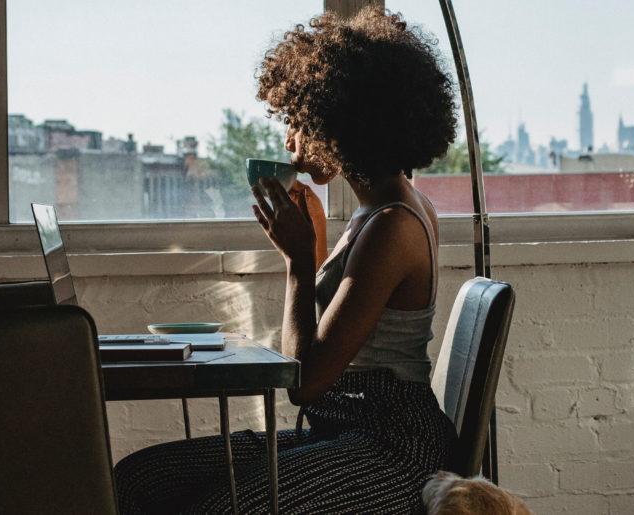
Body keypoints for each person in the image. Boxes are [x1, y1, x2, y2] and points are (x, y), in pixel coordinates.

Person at [114, 7, 458, 514]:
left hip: (392, 448)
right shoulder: (375, 210)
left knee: (219, 508)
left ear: (344, 122)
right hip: (342, 431)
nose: (290, 140)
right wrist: (313, 248)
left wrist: (299, 262)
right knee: (140, 477)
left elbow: (306, 381)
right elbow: (334, 338)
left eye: (300, 121)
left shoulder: (394, 225)